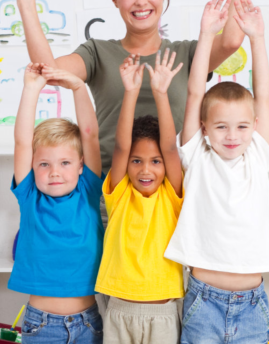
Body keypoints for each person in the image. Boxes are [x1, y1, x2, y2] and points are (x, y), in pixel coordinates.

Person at [0, 0, 269, 173]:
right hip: (111, 187)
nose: (141, 1)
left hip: (174, 189)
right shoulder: (97, 53)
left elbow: (230, 40)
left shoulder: (187, 54)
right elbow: (47, 71)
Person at [164, 0, 269, 344]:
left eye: (242, 127)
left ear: (255, 125)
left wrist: (258, 38)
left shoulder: (258, 155)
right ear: (203, 127)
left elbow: (263, 94)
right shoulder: (197, 155)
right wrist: (206, 35)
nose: (232, 136)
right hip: (204, 301)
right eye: (221, 127)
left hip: (252, 305)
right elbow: (193, 92)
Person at [10, 62, 105, 344]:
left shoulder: (88, 190)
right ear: (32, 166)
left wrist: (78, 86)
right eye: (44, 164)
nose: (54, 172)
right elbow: (22, 142)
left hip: (89, 322)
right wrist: (31, 90)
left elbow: (90, 135)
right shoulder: (29, 196)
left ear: (80, 166)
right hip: (41, 325)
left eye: (65, 163)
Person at [95, 49, 185, 344]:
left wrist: (160, 92)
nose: (146, 169)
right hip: (119, 308)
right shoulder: (120, 193)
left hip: (165, 312)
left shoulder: (171, 196)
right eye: (137, 161)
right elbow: (120, 147)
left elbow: (171, 148)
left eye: (155, 161)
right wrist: (130, 91)